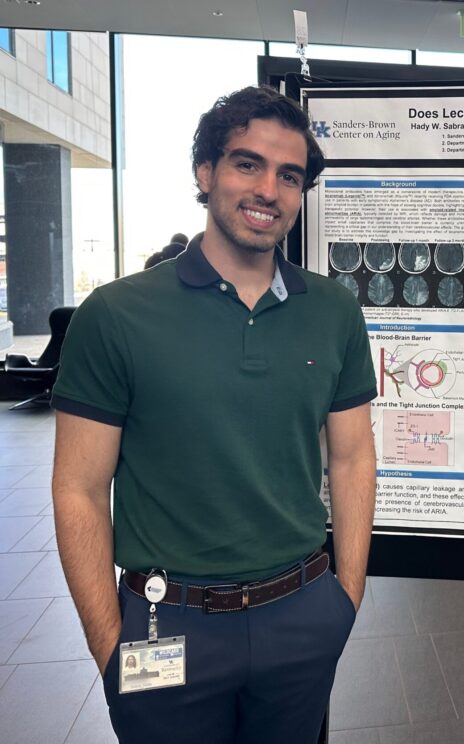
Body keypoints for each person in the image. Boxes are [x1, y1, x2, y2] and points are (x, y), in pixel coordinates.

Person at [51, 86, 377, 743]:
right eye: (247, 164)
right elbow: (78, 488)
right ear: (206, 172)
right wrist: (109, 645)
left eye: (289, 176)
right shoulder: (116, 315)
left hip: (300, 614)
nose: (269, 190)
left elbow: (352, 457)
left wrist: (344, 599)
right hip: (163, 623)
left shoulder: (334, 311)